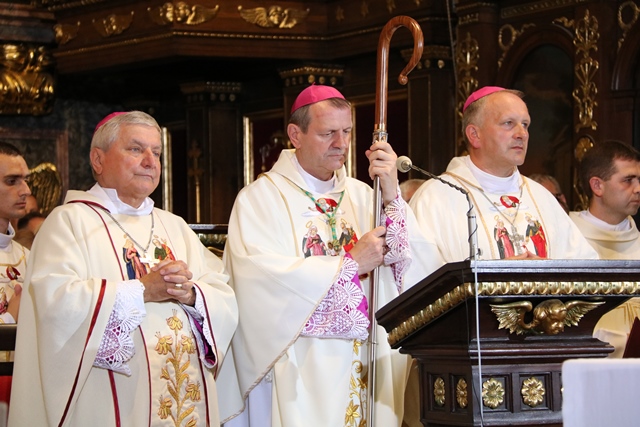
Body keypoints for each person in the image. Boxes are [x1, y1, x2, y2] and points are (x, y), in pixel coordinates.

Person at [219, 85, 441, 426]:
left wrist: (391, 194)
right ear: (296, 135)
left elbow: (414, 268)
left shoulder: (364, 195)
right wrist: (350, 265)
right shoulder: (261, 199)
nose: (341, 143)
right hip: (303, 367)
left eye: (347, 131)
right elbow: (262, 284)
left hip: (368, 358)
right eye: (328, 133)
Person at [9, 111, 239, 426]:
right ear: (98, 159)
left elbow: (222, 291)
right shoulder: (69, 222)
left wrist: (192, 295)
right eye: (135, 149)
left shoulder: (174, 226)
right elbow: (56, 304)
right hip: (108, 403)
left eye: (156, 152)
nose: (150, 161)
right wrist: (142, 290)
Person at [409, 86, 598, 262]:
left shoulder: (542, 198)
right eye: (509, 123)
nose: (522, 134)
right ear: (474, 135)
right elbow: (419, 276)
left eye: (525, 124)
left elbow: (585, 269)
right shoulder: (434, 199)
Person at [569, 140, 640, 357]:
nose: (638, 189)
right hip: (586, 361)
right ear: (597, 186)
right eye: (628, 180)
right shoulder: (568, 239)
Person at [0, 142, 31, 409]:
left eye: (25, 180)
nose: (26, 190)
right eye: (12, 181)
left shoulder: (29, 258)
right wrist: (10, 318)